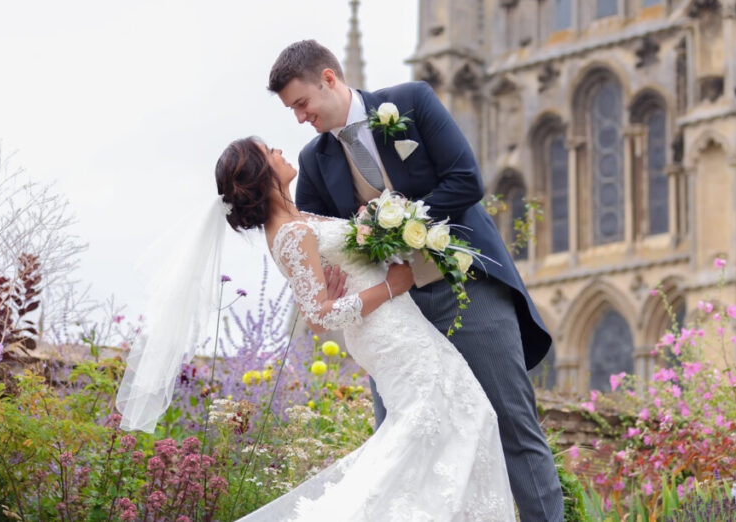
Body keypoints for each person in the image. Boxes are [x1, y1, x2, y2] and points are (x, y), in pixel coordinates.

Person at [269, 39, 564, 521]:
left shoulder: (412, 102)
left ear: (328, 78)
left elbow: (466, 179)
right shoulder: (315, 161)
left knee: (514, 425)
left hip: (467, 286)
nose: (300, 117)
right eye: (291, 111)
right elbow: (326, 250)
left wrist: (395, 219)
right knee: (402, 447)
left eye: (301, 103)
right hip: (396, 319)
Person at [216, 138, 515, 520]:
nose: (279, 152)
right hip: (387, 332)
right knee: (437, 422)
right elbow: (319, 317)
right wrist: (390, 285)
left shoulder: (300, 221)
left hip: (397, 322)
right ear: (260, 172)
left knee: (459, 419)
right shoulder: (291, 233)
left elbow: (324, 295)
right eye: (269, 151)